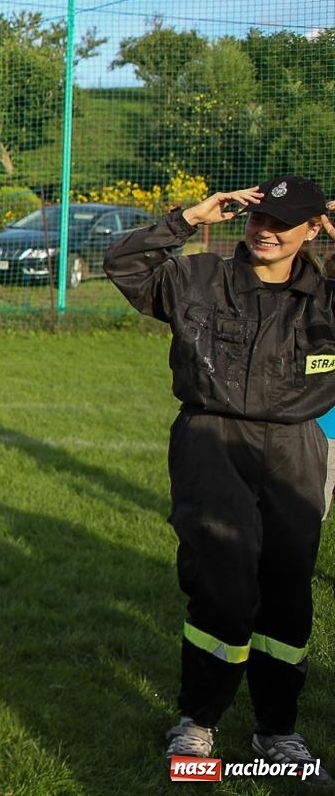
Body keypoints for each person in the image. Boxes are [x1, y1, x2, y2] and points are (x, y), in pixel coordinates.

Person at [104, 175, 335, 779]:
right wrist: (185, 219)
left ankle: (277, 732)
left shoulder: (327, 298)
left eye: (286, 224)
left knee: (287, 594)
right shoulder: (196, 278)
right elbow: (123, 263)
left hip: (295, 448)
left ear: (313, 230)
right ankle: (199, 723)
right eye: (260, 218)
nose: (266, 232)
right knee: (223, 589)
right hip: (211, 441)